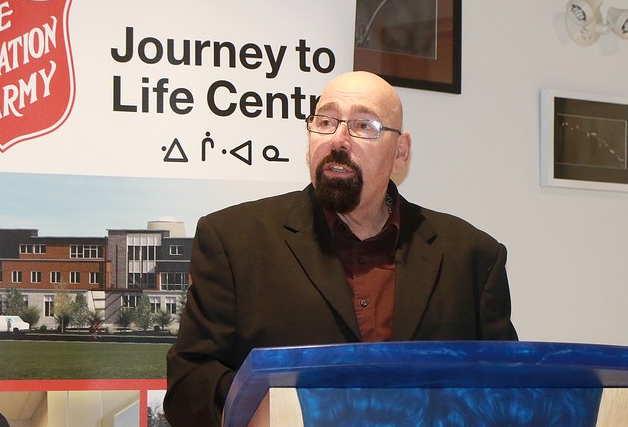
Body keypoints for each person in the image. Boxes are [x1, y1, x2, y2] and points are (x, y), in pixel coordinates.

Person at [164, 71, 518, 426]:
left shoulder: (472, 257)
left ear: (400, 152)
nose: (338, 139)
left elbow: (510, 394)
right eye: (326, 121)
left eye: (364, 125)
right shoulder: (234, 240)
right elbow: (189, 385)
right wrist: (266, 409)